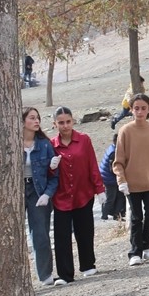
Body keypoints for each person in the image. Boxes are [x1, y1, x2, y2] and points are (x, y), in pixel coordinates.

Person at [50, 106, 105, 281]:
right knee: (62, 236)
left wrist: (100, 189)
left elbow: (92, 165)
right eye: (61, 123)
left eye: (68, 121)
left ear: (73, 121)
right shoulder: (51, 145)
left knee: (85, 231)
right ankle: (65, 274)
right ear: (54, 124)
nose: (65, 126)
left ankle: (88, 264)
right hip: (61, 197)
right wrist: (51, 167)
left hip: (83, 194)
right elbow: (47, 173)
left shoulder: (84, 140)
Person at [112, 93, 149, 265]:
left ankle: (146, 245)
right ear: (131, 110)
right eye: (136, 108)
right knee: (136, 217)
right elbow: (118, 160)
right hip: (131, 184)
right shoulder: (125, 131)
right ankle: (135, 252)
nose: (140, 112)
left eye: (143, 108)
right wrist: (121, 180)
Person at [22, 107, 61, 287]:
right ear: (22, 122)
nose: (37, 121)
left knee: (40, 235)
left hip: (38, 192)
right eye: (32, 118)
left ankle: (45, 275)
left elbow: (54, 176)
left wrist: (47, 194)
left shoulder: (45, 144)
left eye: (38, 118)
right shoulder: (11, 144)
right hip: (16, 191)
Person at [98, 134, 125, 221]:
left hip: (107, 177)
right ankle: (105, 216)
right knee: (112, 197)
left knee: (115, 196)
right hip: (110, 179)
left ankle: (115, 214)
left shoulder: (112, 148)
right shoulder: (114, 153)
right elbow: (113, 169)